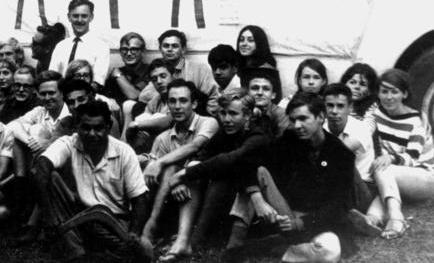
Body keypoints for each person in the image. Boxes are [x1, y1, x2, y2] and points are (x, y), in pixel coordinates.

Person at [225, 92, 355, 263]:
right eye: (293, 120)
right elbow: (248, 161)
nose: (297, 125)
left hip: (316, 223)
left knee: (329, 251)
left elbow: (339, 206)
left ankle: (281, 247)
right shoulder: (290, 139)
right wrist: (258, 199)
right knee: (258, 172)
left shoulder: (341, 154)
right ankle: (234, 248)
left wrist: (301, 222)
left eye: (303, 118)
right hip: (284, 213)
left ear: (321, 117)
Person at [35, 100, 150, 262]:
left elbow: (140, 197)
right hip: (80, 217)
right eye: (86, 127)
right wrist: (48, 215)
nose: (92, 134)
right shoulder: (69, 143)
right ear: (77, 127)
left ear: (108, 127)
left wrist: (134, 233)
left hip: (114, 221)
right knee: (50, 176)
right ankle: (77, 253)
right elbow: (42, 164)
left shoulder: (124, 151)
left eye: (98, 128)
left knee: (144, 250)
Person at [165, 88, 271, 256]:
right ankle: (184, 239)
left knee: (218, 177)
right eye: (223, 113)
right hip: (232, 197)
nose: (227, 119)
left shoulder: (257, 137)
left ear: (248, 115)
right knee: (200, 173)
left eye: (233, 114)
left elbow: (228, 159)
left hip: (258, 203)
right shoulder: (226, 132)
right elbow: (203, 155)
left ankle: (196, 240)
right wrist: (184, 178)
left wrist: (182, 174)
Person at [140, 80, 219, 249]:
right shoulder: (163, 138)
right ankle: (146, 227)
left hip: (205, 191)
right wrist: (171, 180)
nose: (177, 106)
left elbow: (195, 147)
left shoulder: (208, 123)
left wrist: (162, 164)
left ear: (195, 103)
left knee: (168, 167)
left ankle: (151, 228)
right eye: (172, 101)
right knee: (157, 170)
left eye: (183, 101)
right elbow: (155, 175)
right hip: (175, 197)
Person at [323, 83, 406, 240]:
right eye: (330, 106)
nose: (334, 111)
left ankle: (352, 217)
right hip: (335, 187)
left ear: (350, 108)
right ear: (324, 107)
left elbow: (337, 154)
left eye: (340, 106)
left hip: (362, 188)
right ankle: (365, 220)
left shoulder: (360, 129)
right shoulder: (322, 127)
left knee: (341, 163)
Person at [372, 69, 434, 204]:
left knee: (382, 170)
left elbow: (412, 157)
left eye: (394, 92)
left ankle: (396, 216)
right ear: (378, 93)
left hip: (425, 177)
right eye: (384, 91)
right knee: (383, 180)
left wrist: (391, 157)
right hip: (393, 174)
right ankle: (374, 220)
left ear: (404, 94)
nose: (389, 97)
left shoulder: (417, 121)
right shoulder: (375, 115)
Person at [138, 29, 220, 116]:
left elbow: (214, 96)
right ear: (160, 49)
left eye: (174, 46)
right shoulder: (158, 73)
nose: (169, 49)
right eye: (166, 46)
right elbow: (143, 97)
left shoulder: (199, 69)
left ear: (183, 49)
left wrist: (204, 117)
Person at [49, 0, 110, 91]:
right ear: (69, 17)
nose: (80, 20)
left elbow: (97, 83)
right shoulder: (60, 46)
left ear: (91, 17)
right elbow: (52, 77)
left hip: (86, 97)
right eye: (75, 16)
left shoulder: (101, 47)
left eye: (84, 16)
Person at [123, 58, 175, 156]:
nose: (159, 82)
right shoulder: (155, 101)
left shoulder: (178, 97)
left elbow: (168, 121)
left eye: (163, 76)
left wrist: (137, 125)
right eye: (154, 79)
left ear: (173, 76)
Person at [240, 64, 290, 139]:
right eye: (255, 88)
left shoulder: (281, 115)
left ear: (273, 95)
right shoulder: (242, 111)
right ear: (248, 92)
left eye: (266, 89)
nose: (260, 93)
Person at [104, 32, 150, 105]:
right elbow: (105, 97)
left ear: (142, 52)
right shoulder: (116, 72)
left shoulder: (150, 71)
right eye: (124, 49)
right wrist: (111, 101)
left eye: (134, 49)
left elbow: (134, 96)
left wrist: (119, 76)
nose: (128, 53)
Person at [340, 62, 379, 132]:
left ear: (370, 90)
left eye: (363, 84)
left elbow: (367, 132)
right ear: (344, 84)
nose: (357, 87)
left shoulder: (372, 108)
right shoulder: (336, 100)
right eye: (352, 82)